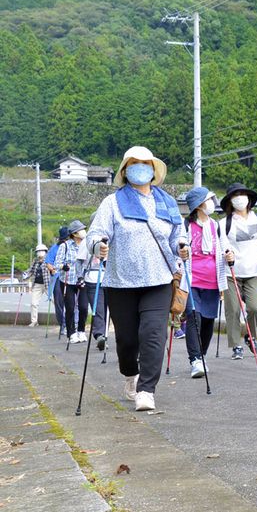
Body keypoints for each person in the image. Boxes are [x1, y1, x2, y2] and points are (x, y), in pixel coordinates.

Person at [87, 146, 188, 412]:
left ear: (153, 170)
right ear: (125, 170)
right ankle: (130, 374)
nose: (140, 167)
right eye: (134, 163)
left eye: (145, 163)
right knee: (127, 340)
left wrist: (182, 245)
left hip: (159, 280)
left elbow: (178, 232)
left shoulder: (166, 202)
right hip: (121, 283)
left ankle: (146, 390)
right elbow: (95, 233)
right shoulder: (112, 202)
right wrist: (98, 245)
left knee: (153, 334)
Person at [218, 183, 257, 360]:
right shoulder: (224, 223)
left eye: (242, 194)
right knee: (233, 310)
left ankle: (251, 335)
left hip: (255, 271)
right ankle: (236, 345)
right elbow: (222, 246)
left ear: (249, 198)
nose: (240, 198)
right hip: (231, 272)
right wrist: (227, 254)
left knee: (254, 308)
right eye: (235, 195)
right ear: (230, 201)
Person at [183, 186, 232, 377]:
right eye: (208, 199)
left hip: (213, 280)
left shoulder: (216, 225)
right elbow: (178, 246)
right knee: (194, 317)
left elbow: (225, 246)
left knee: (208, 321)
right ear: (198, 205)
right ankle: (195, 359)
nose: (212, 203)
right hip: (192, 280)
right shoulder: (186, 225)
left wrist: (230, 255)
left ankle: (202, 356)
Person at [55, 219, 89, 344]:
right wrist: (63, 266)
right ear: (74, 234)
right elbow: (57, 263)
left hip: (82, 281)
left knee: (84, 307)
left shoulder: (87, 245)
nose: (84, 231)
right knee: (69, 307)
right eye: (81, 230)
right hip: (67, 281)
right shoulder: (65, 246)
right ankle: (71, 333)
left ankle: (81, 330)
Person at [79, 212, 109, 350]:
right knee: (100, 309)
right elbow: (80, 262)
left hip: (102, 279)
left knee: (100, 309)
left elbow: (79, 262)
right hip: (97, 279)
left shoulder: (87, 240)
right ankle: (100, 335)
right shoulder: (89, 240)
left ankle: (101, 334)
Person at [45, 227, 68, 334]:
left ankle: (72, 324)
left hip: (71, 278)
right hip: (58, 277)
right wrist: (52, 270)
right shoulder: (54, 248)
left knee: (72, 303)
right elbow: (48, 263)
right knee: (59, 303)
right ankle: (62, 325)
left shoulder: (74, 247)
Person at [22, 244, 51, 327]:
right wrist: (25, 275)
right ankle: (34, 321)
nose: (40, 253)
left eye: (42, 251)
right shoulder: (36, 261)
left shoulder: (49, 260)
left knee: (56, 302)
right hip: (37, 285)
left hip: (48, 285)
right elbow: (30, 271)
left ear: (45, 252)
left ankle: (62, 320)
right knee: (34, 303)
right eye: (38, 251)